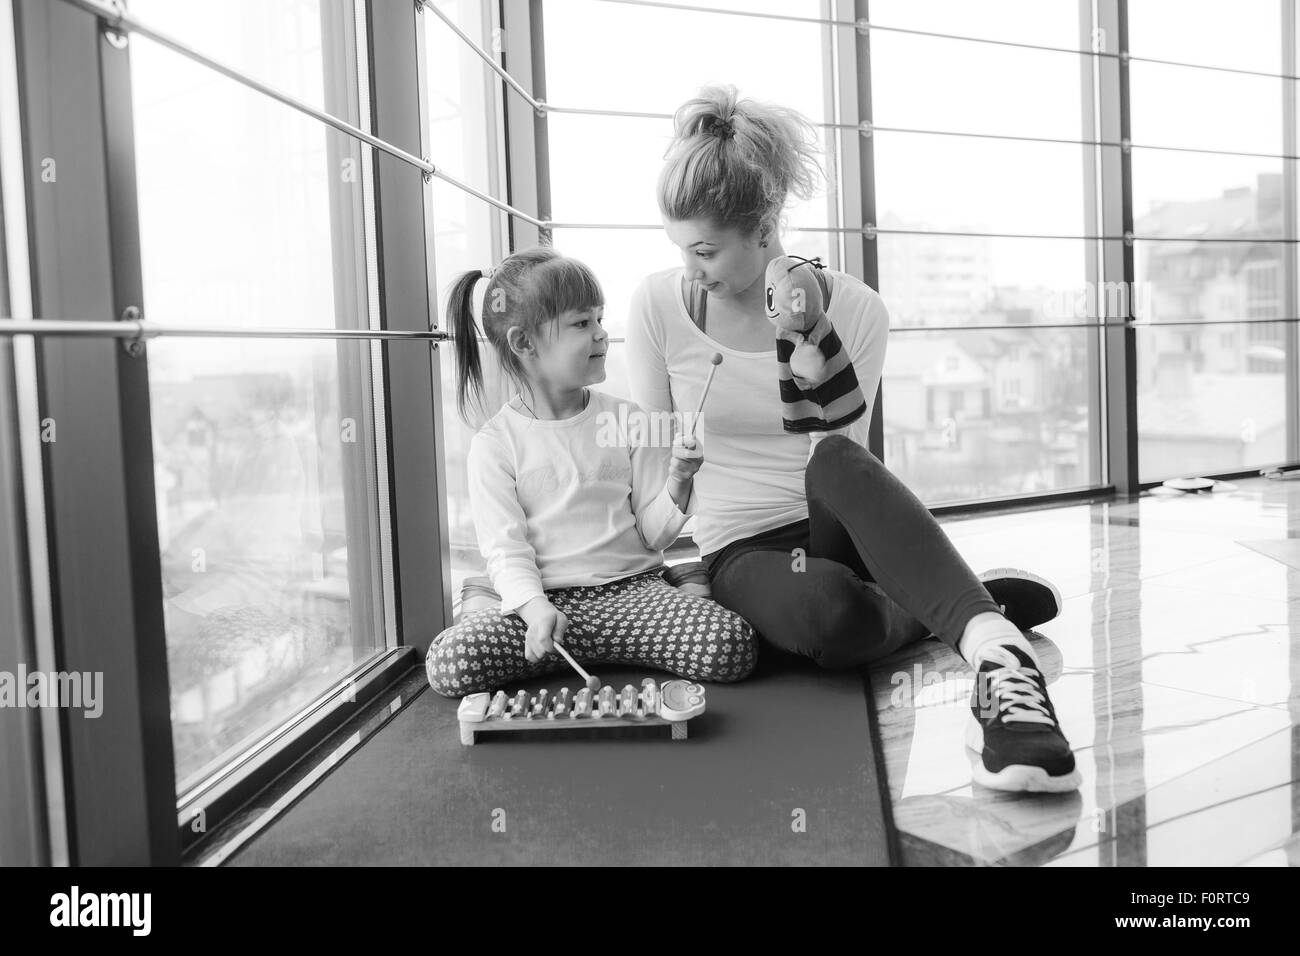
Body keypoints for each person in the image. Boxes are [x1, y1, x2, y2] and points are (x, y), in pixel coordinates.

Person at [625, 85, 1080, 793]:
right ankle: (952, 602)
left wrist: (804, 347)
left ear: (766, 224)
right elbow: (653, 477)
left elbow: (844, 462)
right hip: (743, 549)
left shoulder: (859, 310)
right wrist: (665, 560)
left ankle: (996, 655)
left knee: (836, 453)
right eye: (681, 250)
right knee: (831, 618)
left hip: (835, 521)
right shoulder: (659, 306)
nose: (692, 270)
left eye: (707, 251)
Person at [425, 246, 758, 697]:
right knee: (451, 664)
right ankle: (511, 612)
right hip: (545, 604)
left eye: (600, 319)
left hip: (633, 593)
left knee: (730, 646)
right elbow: (506, 549)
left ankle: (594, 636)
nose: (602, 335)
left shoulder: (629, 419)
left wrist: (679, 481)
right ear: (524, 343)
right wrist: (535, 610)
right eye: (583, 324)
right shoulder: (495, 444)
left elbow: (653, 536)